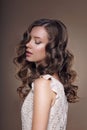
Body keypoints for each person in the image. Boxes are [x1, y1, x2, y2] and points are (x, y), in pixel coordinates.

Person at [13, 18, 79, 130]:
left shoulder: (43, 84)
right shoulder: (56, 83)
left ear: (52, 48)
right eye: (28, 39)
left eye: (37, 41)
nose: (28, 44)